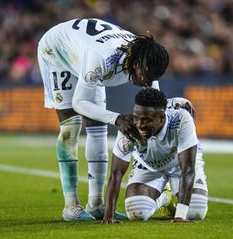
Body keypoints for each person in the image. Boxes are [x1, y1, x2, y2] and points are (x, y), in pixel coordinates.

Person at [37, 18, 169, 221]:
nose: (147, 82)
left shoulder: (145, 59)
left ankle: (96, 204)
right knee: (71, 125)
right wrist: (117, 118)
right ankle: (70, 206)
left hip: (87, 52)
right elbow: (80, 103)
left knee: (97, 127)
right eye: (146, 76)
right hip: (57, 50)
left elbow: (157, 106)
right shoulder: (101, 58)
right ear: (136, 63)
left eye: (153, 78)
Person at [102, 88, 208, 223]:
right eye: (136, 117)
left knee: (195, 212)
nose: (139, 124)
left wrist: (180, 216)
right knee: (137, 213)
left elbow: (188, 169)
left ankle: (175, 198)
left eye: (146, 120)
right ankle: (165, 197)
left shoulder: (181, 119)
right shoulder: (128, 128)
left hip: (178, 165)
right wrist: (108, 216)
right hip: (148, 166)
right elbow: (115, 173)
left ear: (162, 118)